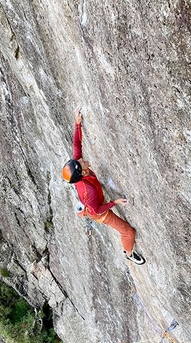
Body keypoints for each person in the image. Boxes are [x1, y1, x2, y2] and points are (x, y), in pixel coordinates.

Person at [62, 108, 145, 265]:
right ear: (83, 171)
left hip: (92, 202)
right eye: (80, 162)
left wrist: (77, 124)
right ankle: (129, 254)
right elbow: (96, 210)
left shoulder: (80, 173)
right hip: (99, 213)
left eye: (78, 161)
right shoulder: (90, 191)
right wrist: (114, 202)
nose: (81, 159)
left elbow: (76, 144)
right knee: (128, 232)